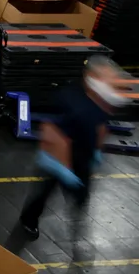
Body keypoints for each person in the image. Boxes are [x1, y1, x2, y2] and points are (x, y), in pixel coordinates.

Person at [17, 56, 129, 239]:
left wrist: (96, 151)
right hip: (57, 156)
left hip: (83, 152)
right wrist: (63, 168)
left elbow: (101, 126)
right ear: (90, 77)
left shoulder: (101, 100)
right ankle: (28, 221)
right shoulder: (69, 99)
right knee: (43, 191)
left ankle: (78, 219)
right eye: (105, 79)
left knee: (81, 194)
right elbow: (53, 133)